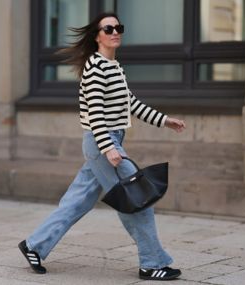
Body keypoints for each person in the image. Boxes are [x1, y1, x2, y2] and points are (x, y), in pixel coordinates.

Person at [19, 12, 186, 281]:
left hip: (107, 142)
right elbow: (95, 113)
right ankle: (152, 262)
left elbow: (131, 104)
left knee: (77, 201)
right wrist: (109, 148)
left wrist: (165, 120)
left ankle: (34, 245)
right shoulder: (96, 67)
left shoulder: (114, 66)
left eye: (119, 27)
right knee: (137, 199)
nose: (115, 31)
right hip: (103, 144)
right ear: (97, 36)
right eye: (108, 28)